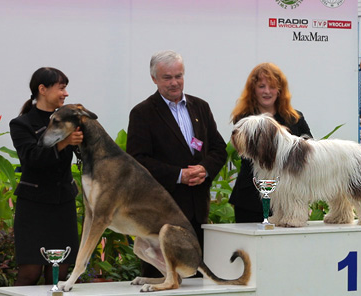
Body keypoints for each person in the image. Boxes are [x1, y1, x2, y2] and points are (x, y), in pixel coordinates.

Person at [127, 50, 227, 279]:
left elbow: (218, 149)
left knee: (196, 277)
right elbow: (137, 160)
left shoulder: (200, 107)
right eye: (167, 77)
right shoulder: (142, 113)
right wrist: (178, 175)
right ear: (154, 78)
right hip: (161, 214)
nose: (174, 83)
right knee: (160, 278)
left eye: (178, 76)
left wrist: (205, 169)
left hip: (196, 213)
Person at [9, 67, 82, 286]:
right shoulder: (21, 124)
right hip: (34, 207)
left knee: (58, 275)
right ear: (42, 89)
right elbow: (31, 159)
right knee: (29, 273)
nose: (65, 93)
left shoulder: (70, 118)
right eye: (61, 88)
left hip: (63, 204)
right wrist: (64, 143)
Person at [229, 63, 312, 223]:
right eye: (261, 86)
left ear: (280, 90)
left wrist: (302, 199)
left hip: (291, 197)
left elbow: (308, 158)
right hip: (251, 198)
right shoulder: (244, 118)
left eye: (272, 86)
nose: (267, 91)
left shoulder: (295, 118)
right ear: (253, 89)